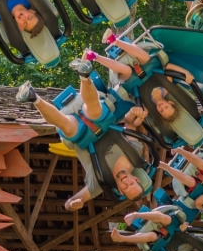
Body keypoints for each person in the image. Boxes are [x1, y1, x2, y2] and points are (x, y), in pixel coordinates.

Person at [16, 74, 149, 209]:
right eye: (131, 183)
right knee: (94, 112)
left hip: (79, 131)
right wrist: (135, 111)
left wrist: (73, 205)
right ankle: (84, 74)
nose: (126, 182)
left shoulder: (100, 183)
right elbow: (130, 123)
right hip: (97, 114)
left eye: (125, 187)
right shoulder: (135, 155)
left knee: (68, 128)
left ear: (120, 191)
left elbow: (70, 203)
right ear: (136, 179)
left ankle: (33, 97)